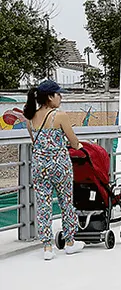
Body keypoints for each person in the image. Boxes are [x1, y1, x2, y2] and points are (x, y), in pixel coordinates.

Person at [24, 80, 85, 260]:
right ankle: (69, 242)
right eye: (59, 94)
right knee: (66, 201)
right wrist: (75, 145)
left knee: (43, 204)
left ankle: (47, 247)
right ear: (50, 97)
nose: (61, 97)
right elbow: (73, 142)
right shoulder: (59, 116)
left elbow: (35, 142)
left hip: (39, 166)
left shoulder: (31, 118)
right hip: (60, 166)